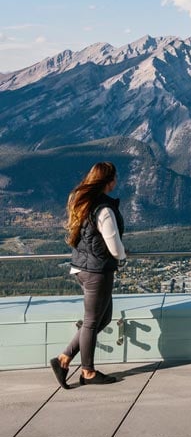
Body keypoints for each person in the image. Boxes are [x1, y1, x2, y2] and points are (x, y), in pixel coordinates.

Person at [50, 161, 127, 387]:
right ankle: (88, 372)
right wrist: (122, 256)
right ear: (108, 181)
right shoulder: (103, 209)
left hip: (82, 267)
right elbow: (113, 245)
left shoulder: (84, 203)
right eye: (115, 178)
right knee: (93, 322)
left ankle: (64, 359)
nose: (116, 181)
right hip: (97, 271)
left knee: (102, 318)